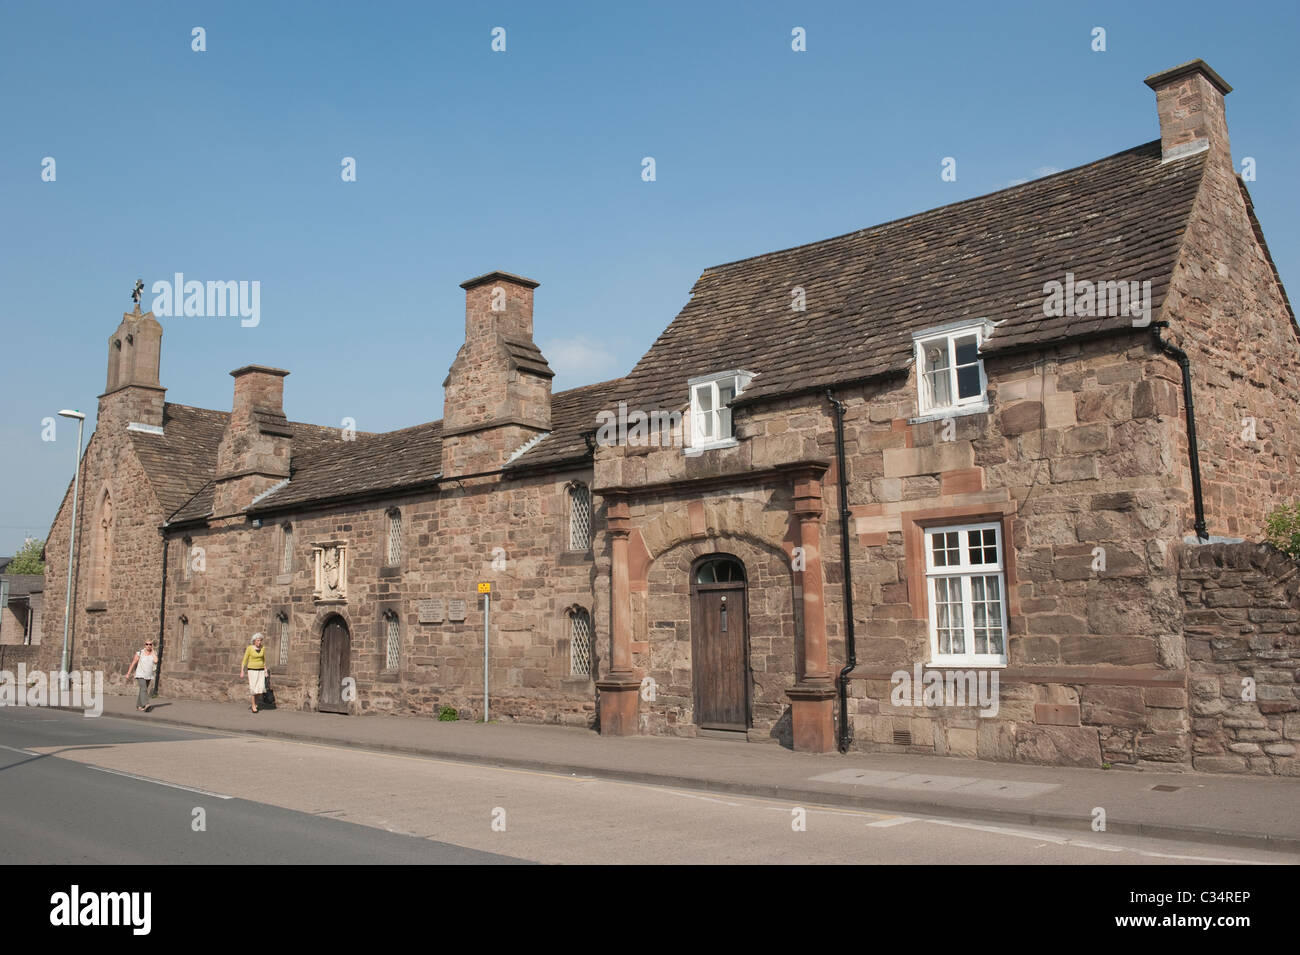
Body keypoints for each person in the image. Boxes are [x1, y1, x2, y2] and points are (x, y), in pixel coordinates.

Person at [125, 640, 158, 712]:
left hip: (148, 675)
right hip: (140, 674)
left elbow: (156, 661)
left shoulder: (154, 653)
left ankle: (138, 706)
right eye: (147, 644)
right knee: (144, 689)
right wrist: (128, 673)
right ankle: (146, 704)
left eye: (150, 644)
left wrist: (153, 651)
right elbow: (133, 663)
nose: (148, 646)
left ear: (152, 645)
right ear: (144, 645)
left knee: (142, 690)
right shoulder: (139, 653)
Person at [240, 633, 269, 713]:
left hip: (261, 670)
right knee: (253, 689)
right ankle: (253, 705)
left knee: (260, 689)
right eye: (258, 640)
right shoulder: (249, 648)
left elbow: (264, 660)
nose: (259, 642)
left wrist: (265, 670)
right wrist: (242, 670)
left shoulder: (263, 648)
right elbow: (245, 659)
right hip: (252, 670)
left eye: (260, 640)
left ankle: (256, 703)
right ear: (254, 641)